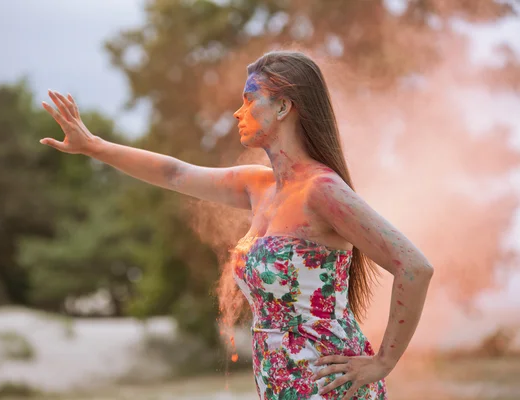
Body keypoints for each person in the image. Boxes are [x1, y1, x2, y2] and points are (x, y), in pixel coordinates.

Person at [40, 50, 433, 400]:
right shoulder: (258, 184)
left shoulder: (322, 190)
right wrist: (94, 146)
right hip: (278, 380)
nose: (237, 112)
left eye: (249, 100)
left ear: (282, 107)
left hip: (327, 383)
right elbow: (176, 174)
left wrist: (383, 362)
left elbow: (413, 267)